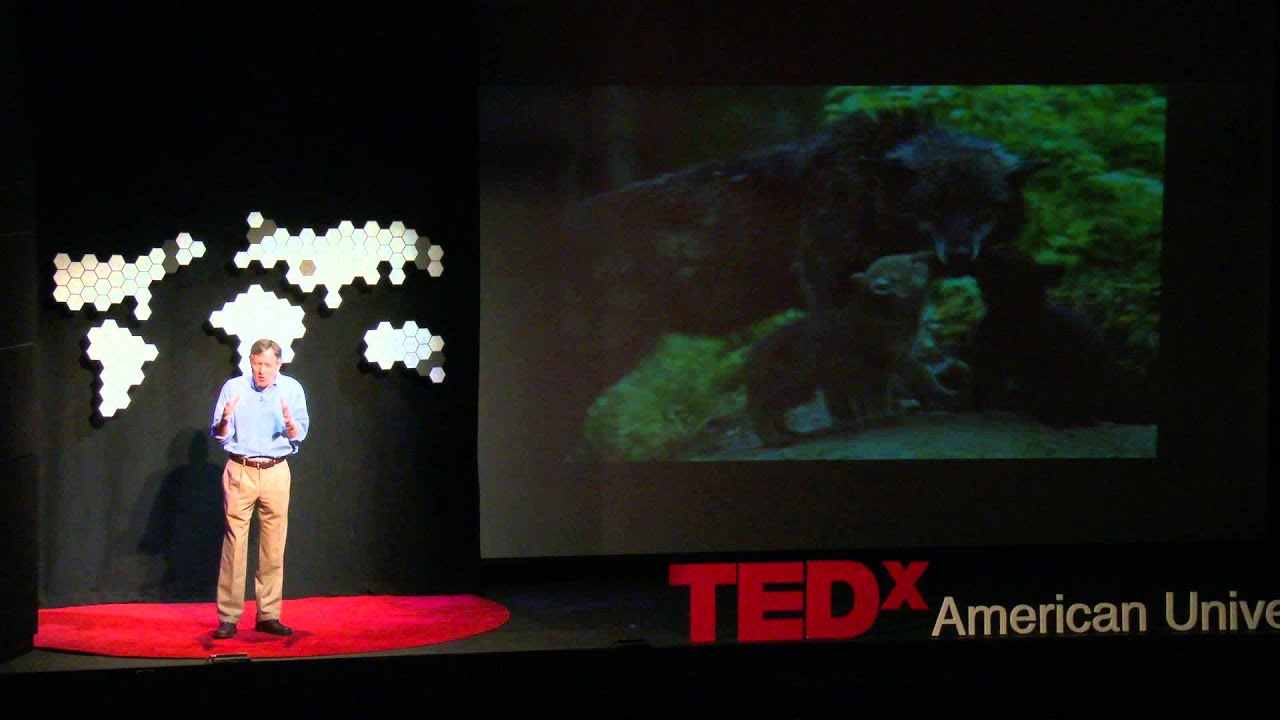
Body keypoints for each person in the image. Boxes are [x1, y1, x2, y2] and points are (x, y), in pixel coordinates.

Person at [209, 338, 309, 639]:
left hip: (276, 471)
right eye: (257, 364)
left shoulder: (292, 389)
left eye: (267, 364)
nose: (261, 370)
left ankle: (268, 614)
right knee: (234, 544)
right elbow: (219, 433)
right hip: (241, 469)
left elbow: (300, 432)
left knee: (273, 545)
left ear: (279, 364)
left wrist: (291, 425)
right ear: (250, 362)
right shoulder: (234, 388)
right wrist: (226, 420)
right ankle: (228, 617)